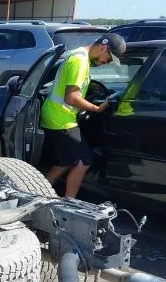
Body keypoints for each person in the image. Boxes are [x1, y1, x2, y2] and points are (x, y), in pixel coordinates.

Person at [40, 32, 126, 198]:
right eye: (107, 59)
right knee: (84, 161)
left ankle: (35, 192)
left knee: (65, 161)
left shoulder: (79, 56)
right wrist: (96, 109)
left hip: (58, 115)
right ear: (103, 48)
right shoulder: (80, 62)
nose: (105, 63)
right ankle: (68, 202)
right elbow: (71, 97)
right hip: (61, 119)